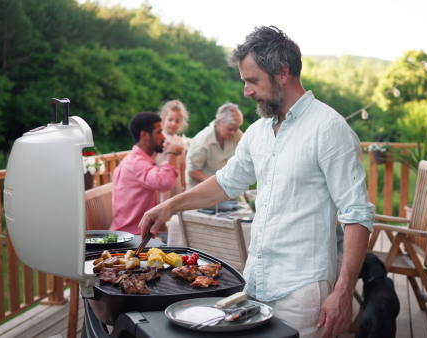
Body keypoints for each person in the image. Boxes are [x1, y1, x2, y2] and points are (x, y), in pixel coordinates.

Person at [139, 26, 374, 338]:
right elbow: (225, 182)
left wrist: (343, 291)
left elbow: (357, 214)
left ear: (282, 73)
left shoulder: (329, 128)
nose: (246, 91)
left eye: (252, 81)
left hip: (302, 290)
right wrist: (170, 206)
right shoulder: (258, 131)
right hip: (253, 282)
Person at [109, 112, 182, 236]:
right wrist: (171, 153)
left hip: (137, 234)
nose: (163, 137)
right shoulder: (136, 163)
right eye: (158, 132)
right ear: (144, 135)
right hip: (130, 237)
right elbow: (165, 182)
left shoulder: (137, 160)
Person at [185, 102, 243, 189]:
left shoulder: (237, 135)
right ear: (219, 122)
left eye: (236, 129)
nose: (233, 132)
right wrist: (217, 185)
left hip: (224, 188)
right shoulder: (202, 140)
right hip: (199, 189)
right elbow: (193, 171)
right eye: (230, 129)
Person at [155, 100, 189, 203]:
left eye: (177, 121)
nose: (173, 123)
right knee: (163, 201)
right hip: (162, 177)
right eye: (170, 120)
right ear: (163, 119)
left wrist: (183, 179)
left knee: (175, 202)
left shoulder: (180, 141)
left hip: (176, 179)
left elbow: (182, 163)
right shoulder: (159, 138)